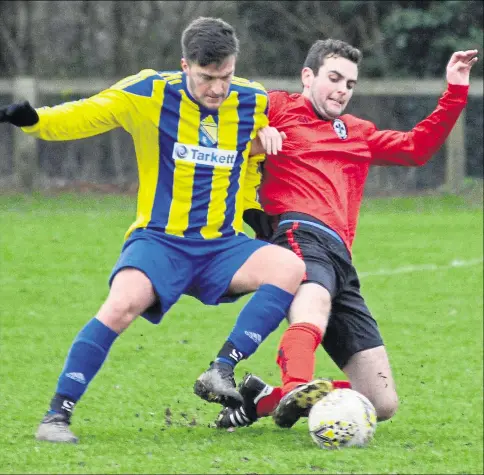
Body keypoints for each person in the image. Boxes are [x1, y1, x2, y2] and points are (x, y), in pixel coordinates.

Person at [0, 17, 310, 443]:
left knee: (289, 267)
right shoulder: (150, 91)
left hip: (221, 244)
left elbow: (251, 154)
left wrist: (256, 198)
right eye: (206, 78)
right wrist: (36, 121)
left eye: (225, 76)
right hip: (159, 239)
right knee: (120, 305)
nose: (217, 88)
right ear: (185, 65)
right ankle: (57, 415)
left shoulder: (252, 100)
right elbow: (89, 114)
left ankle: (221, 368)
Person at [216, 39, 478, 430]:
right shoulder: (278, 106)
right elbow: (219, 121)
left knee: (381, 402)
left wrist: (455, 89)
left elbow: (416, 148)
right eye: (334, 78)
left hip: (340, 258)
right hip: (297, 234)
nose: (342, 89)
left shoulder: (357, 132)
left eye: (350, 84)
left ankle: (264, 397)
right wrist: (259, 132)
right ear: (308, 76)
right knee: (313, 303)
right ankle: (296, 384)